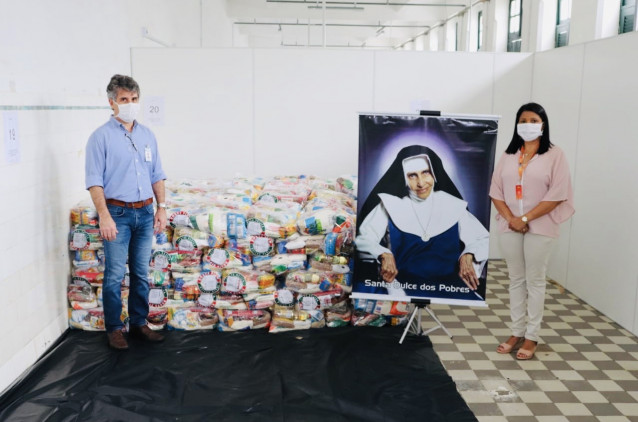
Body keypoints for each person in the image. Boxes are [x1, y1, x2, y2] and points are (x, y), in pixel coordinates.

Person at [85, 75, 167, 350]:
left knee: (141, 273)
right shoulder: (100, 138)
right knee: (115, 275)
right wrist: (104, 215)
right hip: (117, 214)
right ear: (112, 103)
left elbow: (157, 174)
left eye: (133, 100)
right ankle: (114, 329)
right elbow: (94, 181)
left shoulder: (147, 135)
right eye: (124, 100)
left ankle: (139, 322)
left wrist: (162, 208)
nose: (130, 105)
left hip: (145, 213)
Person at [490, 102, 574, 360]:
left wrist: (525, 217)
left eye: (533, 120)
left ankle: (531, 336)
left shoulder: (554, 154)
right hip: (509, 224)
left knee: (535, 281)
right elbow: (496, 191)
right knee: (516, 279)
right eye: (523, 120)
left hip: (541, 225)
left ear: (543, 124)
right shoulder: (508, 155)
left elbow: (558, 194)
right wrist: (512, 219)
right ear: (517, 125)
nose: (528, 125)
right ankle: (516, 331)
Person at [355, 145, 489, 300]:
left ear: (434, 173)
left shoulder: (452, 205)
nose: (420, 183)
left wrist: (469, 254)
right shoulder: (390, 205)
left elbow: (483, 239)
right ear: (403, 178)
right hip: (402, 285)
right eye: (412, 175)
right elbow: (363, 240)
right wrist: (383, 253)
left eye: (425, 173)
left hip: (450, 285)